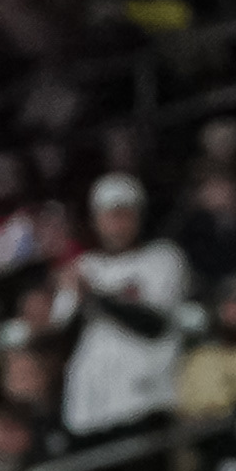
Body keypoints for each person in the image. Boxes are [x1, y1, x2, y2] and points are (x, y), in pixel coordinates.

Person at [53, 174, 190, 439]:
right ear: (96, 221)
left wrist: (93, 297)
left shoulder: (163, 258)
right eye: (109, 215)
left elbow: (154, 324)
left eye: (124, 214)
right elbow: (63, 335)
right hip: (91, 401)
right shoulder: (85, 266)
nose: (116, 223)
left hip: (145, 395)